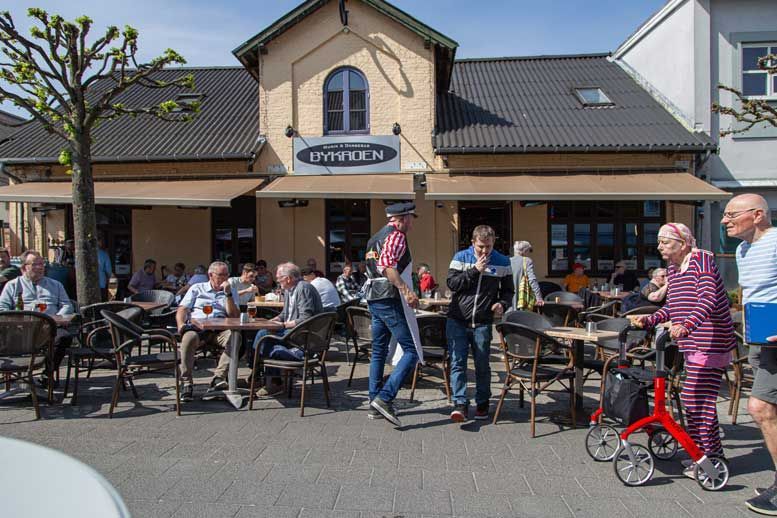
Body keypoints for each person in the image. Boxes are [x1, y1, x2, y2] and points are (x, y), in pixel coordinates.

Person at [634, 222, 734, 479]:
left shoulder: (700, 260)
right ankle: (702, 454)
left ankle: (711, 456)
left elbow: (708, 299)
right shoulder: (673, 269)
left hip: (712, 341)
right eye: (659, 241)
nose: (659, 246)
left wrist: (687, 325)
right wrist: (650, 319)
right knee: (694, 400)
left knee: (695, 399)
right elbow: (674, 307)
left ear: (683, 243)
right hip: (693, 342)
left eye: (665, 242)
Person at [721, 194, 777, 513]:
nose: (725, 220)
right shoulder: (743, 250)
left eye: (731, 214)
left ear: (757, 215)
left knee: (760, 407)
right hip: (759, 338)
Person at [447, 225, 513, 422]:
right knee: (458, 362)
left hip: (483, 322)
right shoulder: (461, 257)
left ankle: (482, 403)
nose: (485, 251)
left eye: (489, 247)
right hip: (457, 319)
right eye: (480, 247)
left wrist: (502, 304)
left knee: (482, 365)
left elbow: (508, 291)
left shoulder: (502, 261)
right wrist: (475, 270)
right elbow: (452, 284)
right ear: (472, 243)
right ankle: (460, 404)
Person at [364, 201, 420, 427]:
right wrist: (406, 291)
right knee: (412, 350)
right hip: (387, 297)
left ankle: (373, 401)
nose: (412, 225)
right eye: (411, 219)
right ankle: (385, 398)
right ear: (403, 219)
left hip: (373, 297)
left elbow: (370, 266)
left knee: (378, 350)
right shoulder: (396, 235)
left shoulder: (374, 237)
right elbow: (388, 266)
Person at [249, 262, 323, 397]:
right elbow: (284, 314)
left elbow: (306, 319)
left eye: (279, 278)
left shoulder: (303, 288)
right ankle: (265, 377)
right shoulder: (289, 290)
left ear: (288, 278)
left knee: (264, 335)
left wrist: (282, 326)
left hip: (302, 335)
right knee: (264, 333)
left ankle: (259, 376)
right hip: (292, 331)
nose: (277, 281)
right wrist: (274, 320)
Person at [0, 250, 74, 384]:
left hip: (49, 328)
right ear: (24, 267)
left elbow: (67, 305)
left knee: (64, 337)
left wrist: (58, 317)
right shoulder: (12, 286)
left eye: (42, 264)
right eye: (35, 264)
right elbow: (2, 308)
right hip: (20, 330)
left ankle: (47, 374)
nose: (40, 267)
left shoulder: (55, 285)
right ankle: (16, 374)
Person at [175, 261, 240, 401]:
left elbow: (234, 316)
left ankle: (218, 378)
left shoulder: (231, 290)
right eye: (221, 275)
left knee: (235, 337)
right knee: (188, 338)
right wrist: (181, 325)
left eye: (226, 275)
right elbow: (182, 309)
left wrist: (228, 295)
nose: (225, 278)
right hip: (198, 328)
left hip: (220, 330)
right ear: (210, 275)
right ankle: (186, 383)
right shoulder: (197, 288)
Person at [510, 240, 543, 310]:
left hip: (509, 298)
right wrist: (539, 297)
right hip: (522, 299)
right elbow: (532, 280)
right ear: (524, 251)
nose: (529, 253)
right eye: (529, 251)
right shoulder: (527, 261)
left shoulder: (508, 260)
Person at [97, 237, 112, 301]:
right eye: (101, 241)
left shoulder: (85, 254)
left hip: (88, 284)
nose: (102, 243)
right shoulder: (103, 254)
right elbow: (109, 271)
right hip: (101, 282)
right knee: (101, 302)